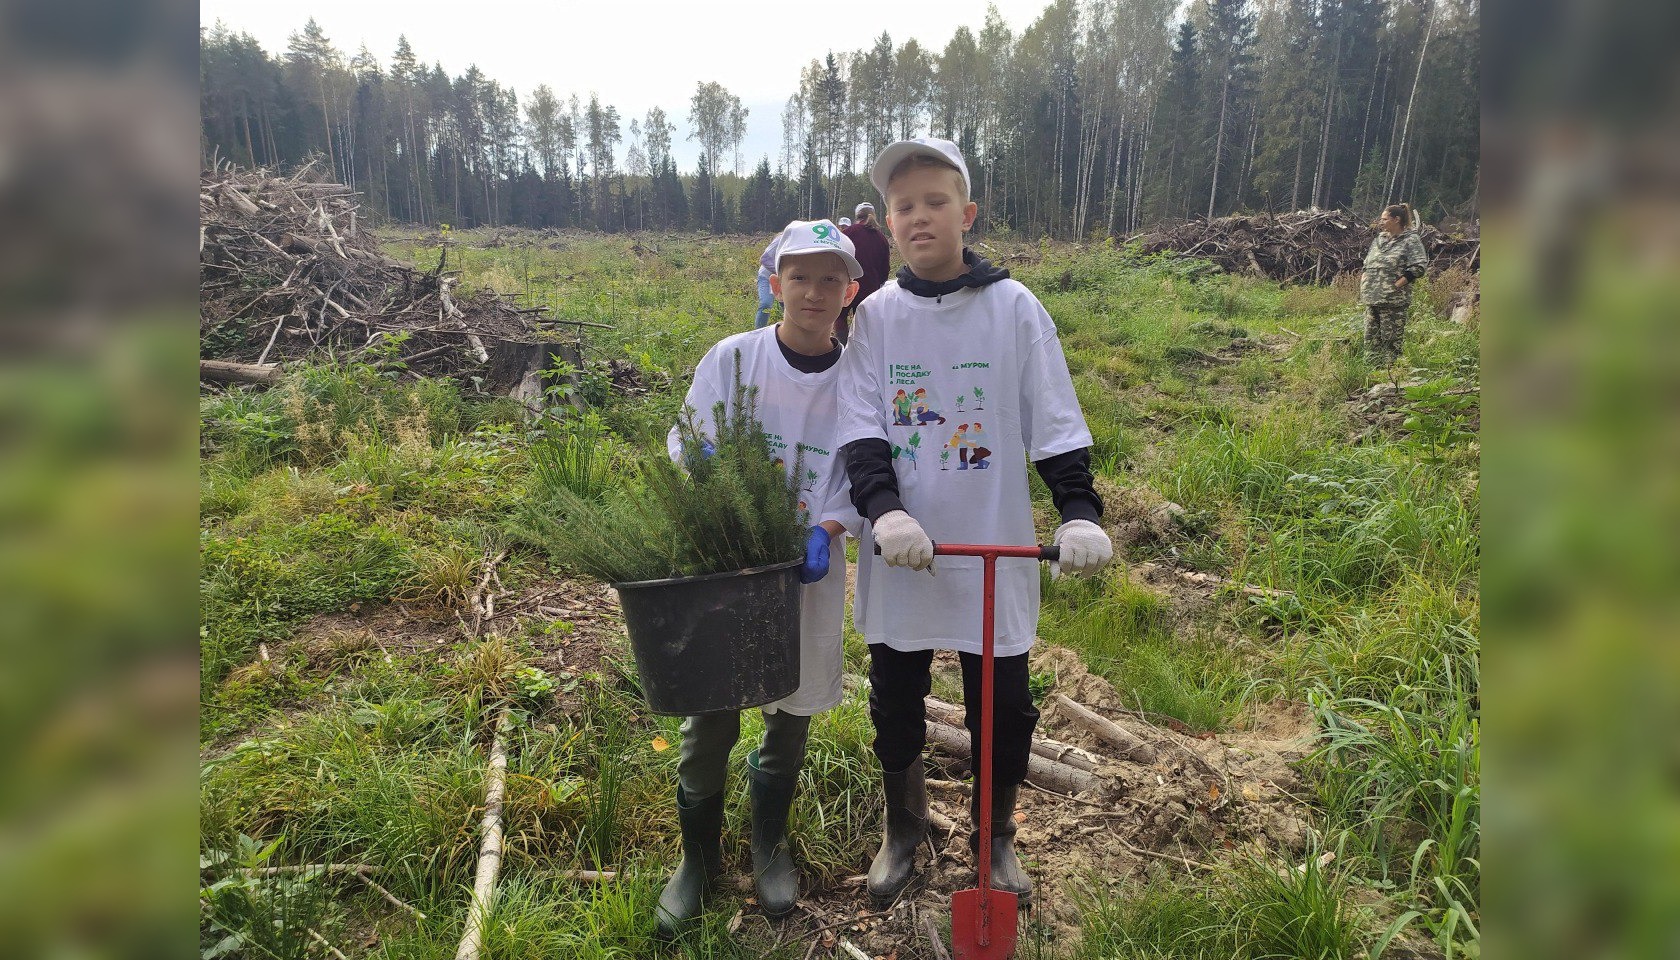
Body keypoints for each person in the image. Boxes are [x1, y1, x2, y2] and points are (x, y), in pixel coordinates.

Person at [834, 138, 1113, 907]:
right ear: (888, 222)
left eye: (934, 201)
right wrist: (884, 510)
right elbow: (860, 428)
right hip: (904, 550)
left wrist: (1079, 512)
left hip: (994, 542)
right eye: (903, 206)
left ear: (967, 212)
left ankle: (994, 840)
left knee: (1005, 702)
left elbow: (1054, 420)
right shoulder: (877, 319)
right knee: (895, 693)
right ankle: (905, 826)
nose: (918, 217)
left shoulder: (1014, 309)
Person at [656, 219, 864, 935]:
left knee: (792, 708)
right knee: (711, 710)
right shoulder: (734, 359)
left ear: (851, 290)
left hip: (806, 570)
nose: (814, 292)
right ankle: (698, 861)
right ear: (775, 284)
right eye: (799, 277)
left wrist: (828, 527)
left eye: (830, 278)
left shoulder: (858, 377)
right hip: (725, 564)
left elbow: (869, 469)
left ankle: (768, 846)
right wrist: (712, 473)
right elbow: (686, 435)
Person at [1359, 203, 1429, 365]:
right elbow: (1366, 264)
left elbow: (1418, 267)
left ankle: (1389, 379)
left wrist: (1396, 286)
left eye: (1384, 219)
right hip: (1371, 300)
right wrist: (1364, 280)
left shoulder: (1410, 241)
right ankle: (1370, 375)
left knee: (1391, 343)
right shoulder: (1379, 240)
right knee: (1370, 341)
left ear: (1396, 219)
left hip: (1393, 302)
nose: (1381, 222)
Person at [839, 201, 892, 346]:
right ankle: (862, 350)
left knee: (839, 319)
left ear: (857, 216)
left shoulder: (848, 233)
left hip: (846, 286)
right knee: (865, 325)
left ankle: (842, 349)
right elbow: (885, 269)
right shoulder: (881, 238)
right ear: (873, 215)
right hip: (870, 290)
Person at [754, 232, 783, 329]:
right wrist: (780, 271)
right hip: (766, 277)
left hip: (784, 280)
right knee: (765, 304)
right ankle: (758, 332)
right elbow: (764, 259)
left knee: (789, 307)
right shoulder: (780, 239)